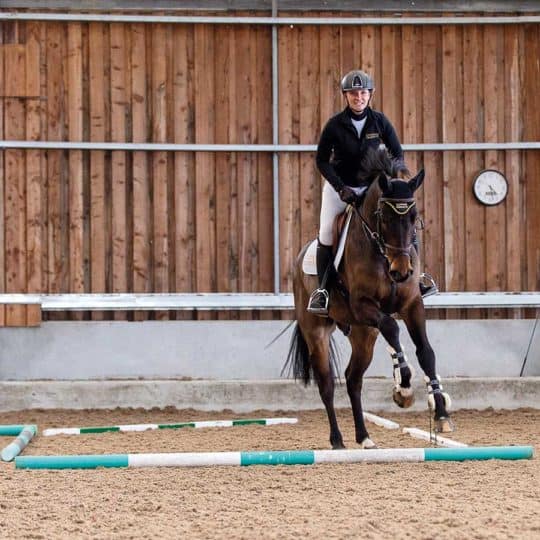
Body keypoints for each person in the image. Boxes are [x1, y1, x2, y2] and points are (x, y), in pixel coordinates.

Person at [307, 69, 437, 315]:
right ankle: (322, 291)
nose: (359, 97)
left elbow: (397, 154)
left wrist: (392, 179)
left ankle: (418, 279)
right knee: (326, 233)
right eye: (354, 93)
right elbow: (322, 160)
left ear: (370, 95)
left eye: (363, 93)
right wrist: (340, 187)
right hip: (340, 187)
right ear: (346, 96)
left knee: (402, 222)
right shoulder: (335, 125)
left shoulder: (380, 122)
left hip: (373, 187)